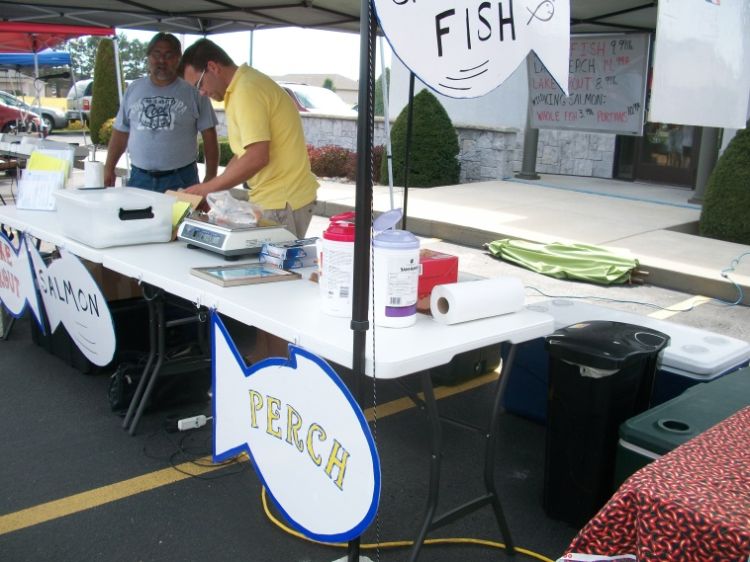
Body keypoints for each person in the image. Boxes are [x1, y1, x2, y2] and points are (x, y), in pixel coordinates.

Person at [180, 38, 319, 238]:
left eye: (199, 84)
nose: (201, 93)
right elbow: (243, 154)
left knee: (274, 268)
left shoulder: (247, 90)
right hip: (277, 198)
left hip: (282, 200)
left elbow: (257, 156)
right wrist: (211, 191)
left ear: (212, 67)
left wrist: (207, 188)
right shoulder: (241, 87)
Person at [104, 32, 219, 192]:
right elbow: (121, 132)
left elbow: (209, 136)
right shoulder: (133, 90)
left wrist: (210, 177)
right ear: (148, 57)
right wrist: (109, 167)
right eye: (156, 54)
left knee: (181, 218)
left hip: (182, 179)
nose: (161, 61)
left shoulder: (194, 91)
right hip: (139, 178)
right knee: (137, 217)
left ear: (178, 58)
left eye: (168, 55)